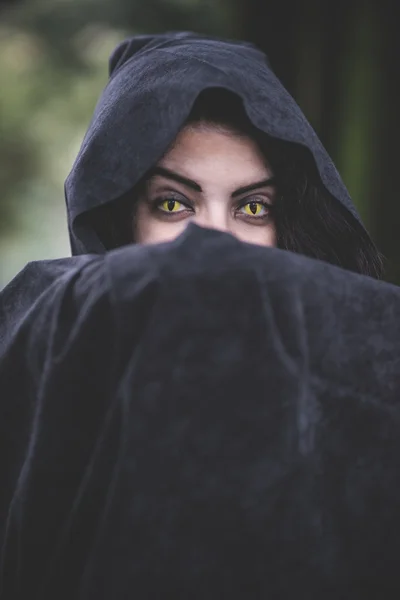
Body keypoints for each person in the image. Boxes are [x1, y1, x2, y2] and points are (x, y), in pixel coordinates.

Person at [1, 31, 400, 600]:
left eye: (253, 207)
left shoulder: (363, 380)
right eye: (173, 203)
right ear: (117, 220)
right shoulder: (43, 355)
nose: (214, 243)